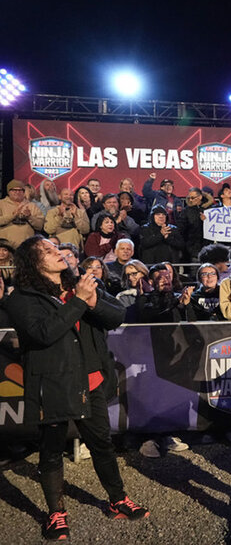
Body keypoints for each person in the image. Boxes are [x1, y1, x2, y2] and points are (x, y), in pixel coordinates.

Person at [5, 236, 149, 541]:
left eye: (57, 248)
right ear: (32, 262)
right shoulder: (21, 299)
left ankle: (117, 499)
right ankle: (55, 513)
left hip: (92, 381)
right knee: (51, 450)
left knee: (102, 444)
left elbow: (118, 317)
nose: (57, 253)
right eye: (47, 251)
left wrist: (91, 299)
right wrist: (79, 301)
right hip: (54, 385)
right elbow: (44, 334)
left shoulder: (82, 284)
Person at [0, 179, 46, 248]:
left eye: (20, 190)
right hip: (5, 247)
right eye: (14, 190)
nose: (17, 192)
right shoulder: (1, 204)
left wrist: (29, 217)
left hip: (26, 247)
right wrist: (13, 215)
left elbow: (40, 225)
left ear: (23, 192)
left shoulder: (32, 205)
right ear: (8, 192)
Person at [176, 188, 208, 262]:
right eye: (189, 198)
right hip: (192, 248)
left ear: (200, 197)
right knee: (194, 270)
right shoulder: (186, 211)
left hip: (207, 247)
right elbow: (181, 229)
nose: (190, 200)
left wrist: (205, 222)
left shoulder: (210, 209)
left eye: (193, 198)